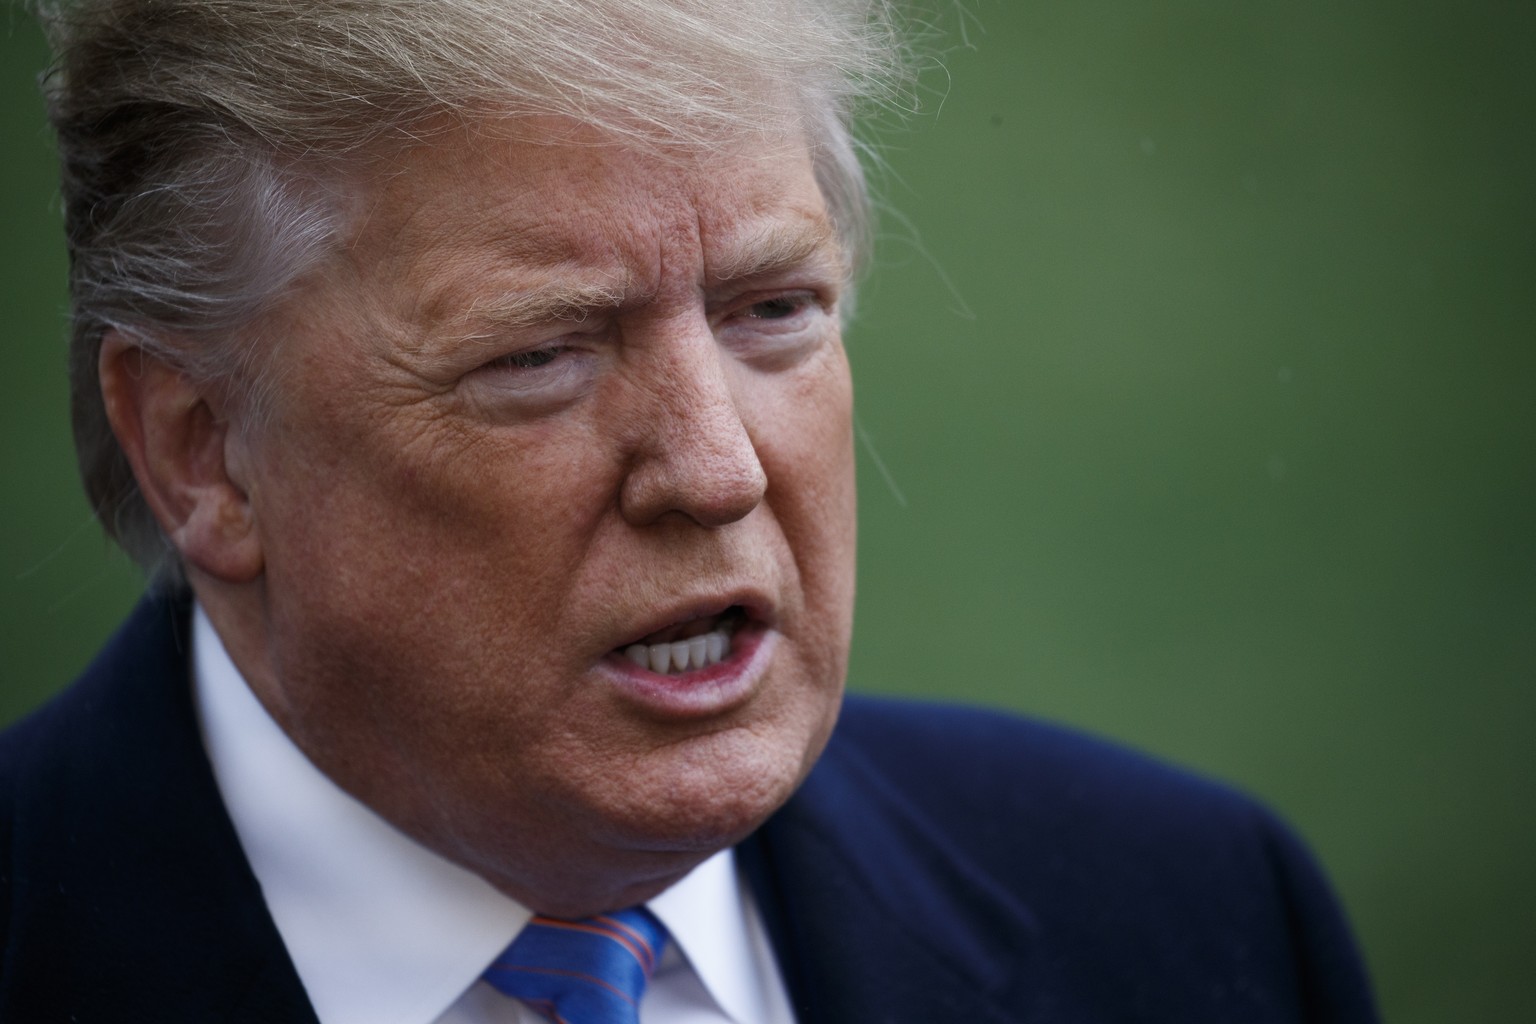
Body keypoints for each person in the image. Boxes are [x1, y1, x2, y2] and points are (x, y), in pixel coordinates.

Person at [0, 1, 1378, 1021]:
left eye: (771, 311)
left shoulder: (1194, 923)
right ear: (204, 452)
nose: (717, 470)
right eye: (541, 355)